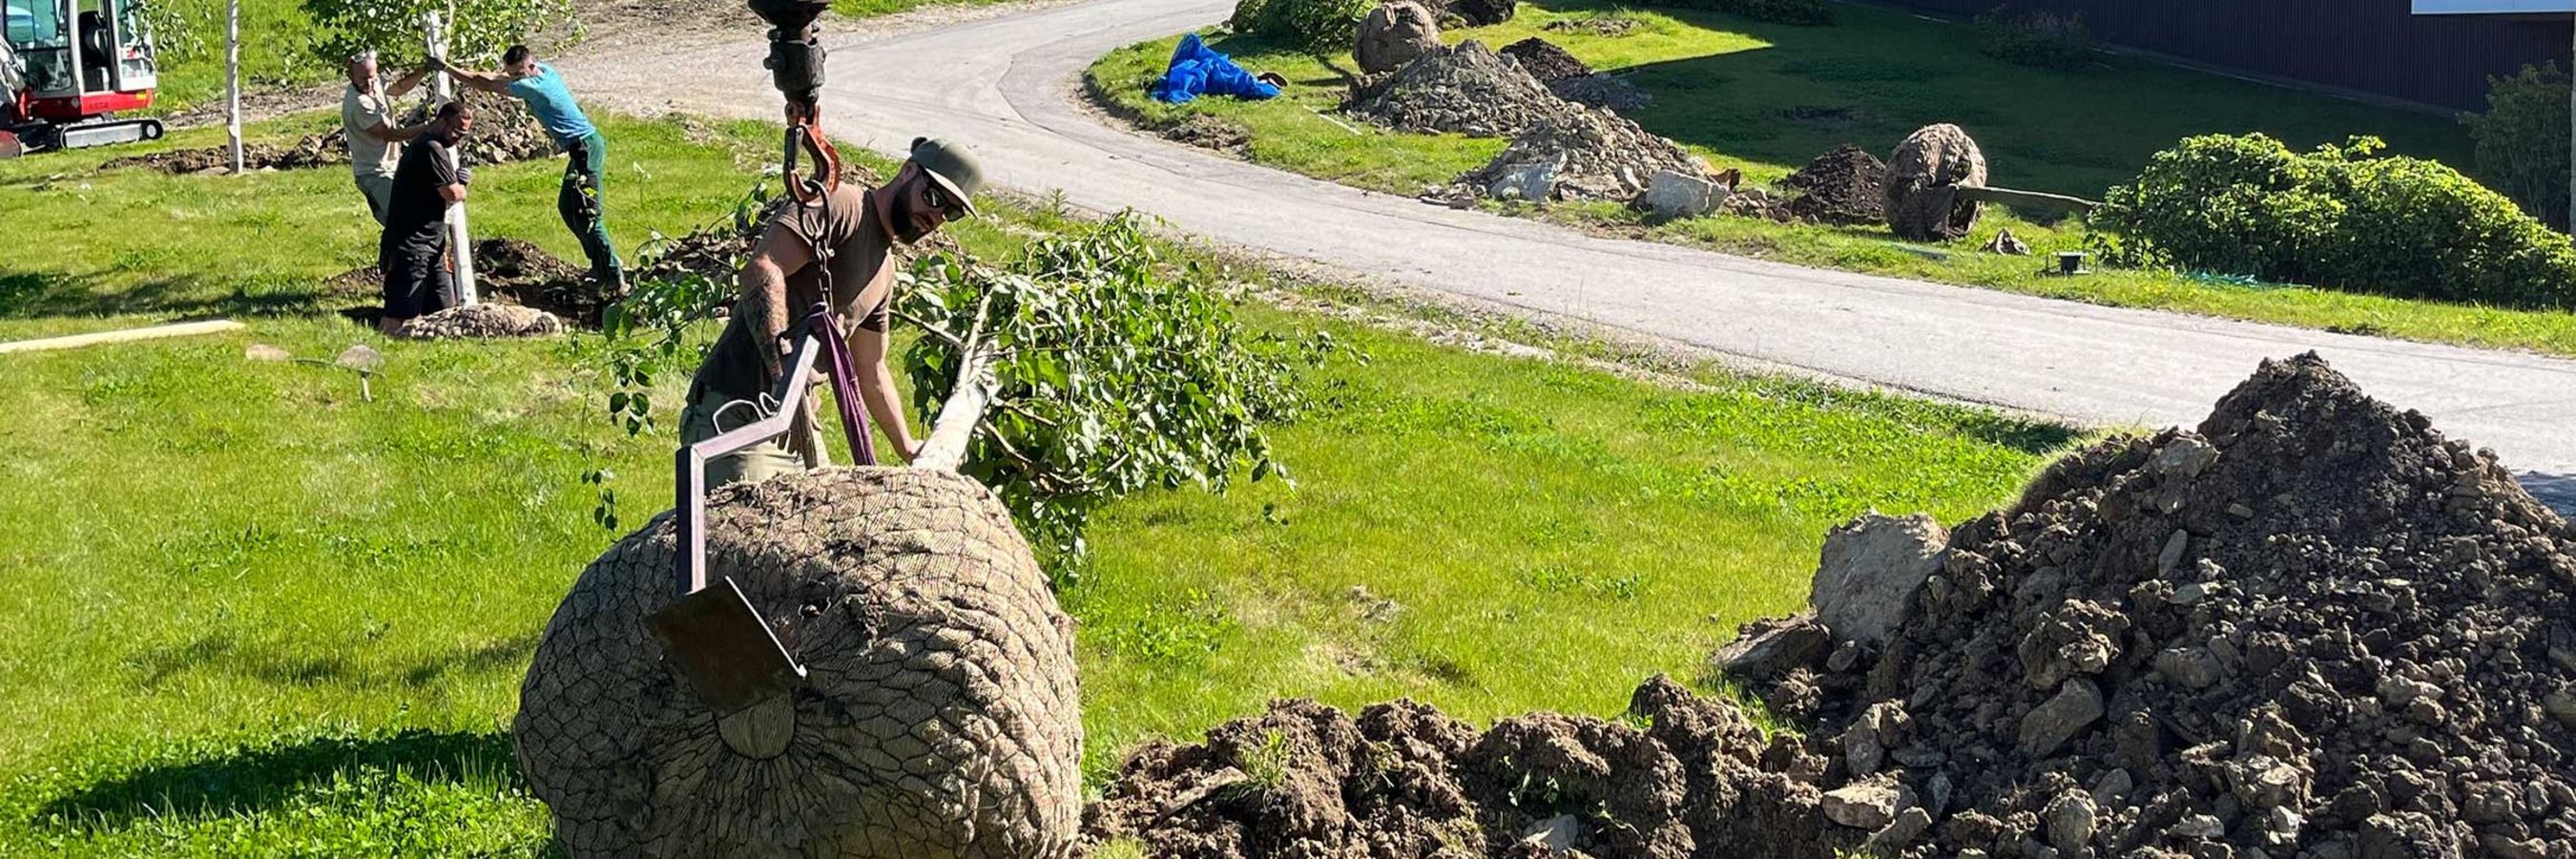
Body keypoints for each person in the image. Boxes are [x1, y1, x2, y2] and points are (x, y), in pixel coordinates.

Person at [679, 136, 987, 487]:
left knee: (825, 528)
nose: (935, 216)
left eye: (951, 212)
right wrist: (783, 374)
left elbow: (872, 369)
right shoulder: (842, 205)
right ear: (907, 172)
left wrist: (907, 447)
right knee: (747, 534)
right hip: (739, 412)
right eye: (933, 198)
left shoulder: (884, 272)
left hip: (799, 427)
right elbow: (763, 269)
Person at [434, 45, 621, 289]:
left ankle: (613, 274)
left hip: (587, 148)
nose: (512, 79)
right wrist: (502, 75)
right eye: (510, 74)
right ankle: (598, 267)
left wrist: (445, 67)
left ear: (530, 67)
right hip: (581, 149)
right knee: (567, 207)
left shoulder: (533, 87)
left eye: (516, 74)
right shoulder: (544, 70)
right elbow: (494, 77)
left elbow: (484, 82)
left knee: (588, 215)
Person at [379, 101, 474, 335]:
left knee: (444, 312)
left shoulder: (433, 146)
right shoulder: (429, 147)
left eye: (463, 135)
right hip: (411, 246)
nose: (457, 139)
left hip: (433, 245)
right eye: (455, 132)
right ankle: (386, 350)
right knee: (399, 316)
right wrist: (461, 184)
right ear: (441, 120)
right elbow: (452, 193)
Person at [339, 51, 430, 225]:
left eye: (372, 77)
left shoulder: (375, 82)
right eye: (363, 79)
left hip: (393, 166)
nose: (369, 83)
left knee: (414, 214)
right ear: (350, 75)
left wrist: (425, 69)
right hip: (375, 173)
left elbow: (400, 88)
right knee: (402, 221)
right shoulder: (359, 104)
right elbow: (391, 135)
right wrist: (428, 129)